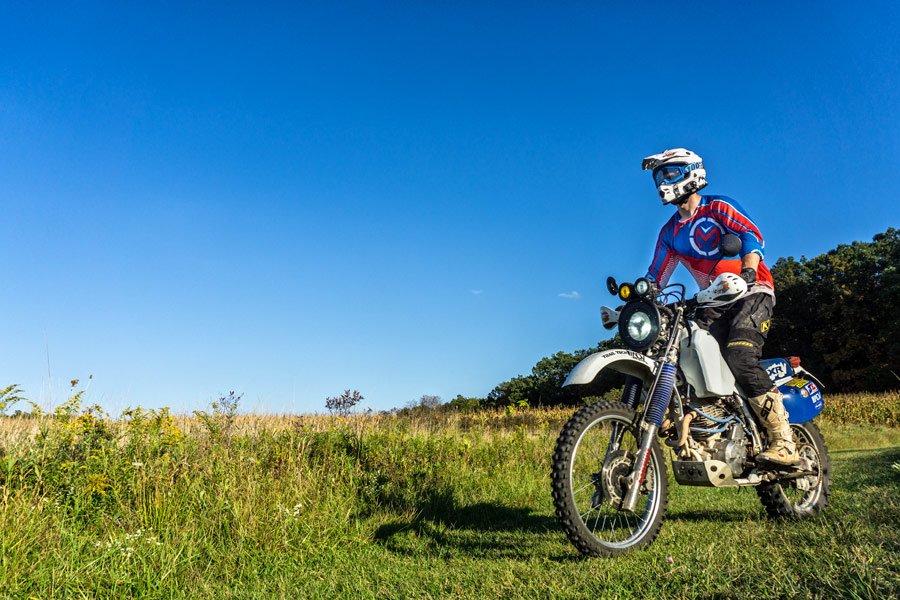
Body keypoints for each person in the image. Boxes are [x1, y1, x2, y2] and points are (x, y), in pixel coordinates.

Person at [641, 148, 799, 466]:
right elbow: (656, 276)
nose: (663, 183)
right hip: (712, 299)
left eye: (669, 174)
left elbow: (750, 235)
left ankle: (784, 440)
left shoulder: (718, 207)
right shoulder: (669, 232)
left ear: (692, 172)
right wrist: (641, 299)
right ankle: (704, 420)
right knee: (680, 352)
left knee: (740, 354)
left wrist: (748, 270)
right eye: (659, 177)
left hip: (752, 291)